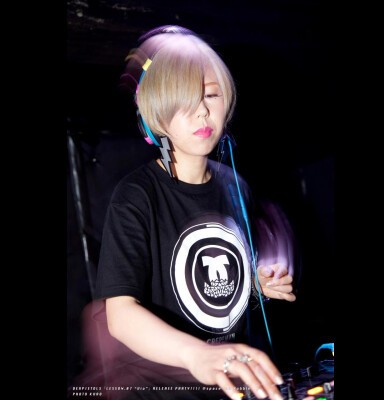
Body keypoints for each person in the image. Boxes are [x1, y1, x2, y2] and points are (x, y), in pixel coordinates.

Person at [92, 25, 296, 400]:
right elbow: (120, 314)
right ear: (155, 116)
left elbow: (211, 286)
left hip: (230, 387)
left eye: (211, 95)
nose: (202, 110)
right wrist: (197, 353)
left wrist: (256, 285)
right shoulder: (136, 196)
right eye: (186, 98)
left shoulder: (235, 185)